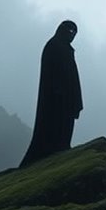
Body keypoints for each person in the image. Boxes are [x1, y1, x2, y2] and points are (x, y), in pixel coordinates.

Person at [20, 20, 83, 167]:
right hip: (56, 98)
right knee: (55, 125)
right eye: (69, 30)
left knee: (66, 125)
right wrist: (58, 90)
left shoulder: (66, 49)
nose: (72, 34)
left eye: (74, 32)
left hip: (67, 96)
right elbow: (50, 74)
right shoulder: (53, 46)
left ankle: (62, 147)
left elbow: (73, 75)